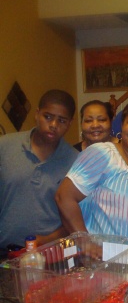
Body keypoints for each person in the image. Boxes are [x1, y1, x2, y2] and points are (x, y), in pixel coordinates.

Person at [55, 100, 128, 242]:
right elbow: (64, 197)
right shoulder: (102, 153)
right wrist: (84, 242)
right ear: (122, 126)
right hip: (107, 260)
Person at [0, 89, 78, 248]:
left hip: (51, 254)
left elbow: (77, 217)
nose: (53, 125)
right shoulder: (5, 146)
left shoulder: (75, 160)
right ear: (37, 114)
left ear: (70, 123)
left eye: (62, 121)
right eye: (47, 117)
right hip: (4, 251)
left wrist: (46, 240)